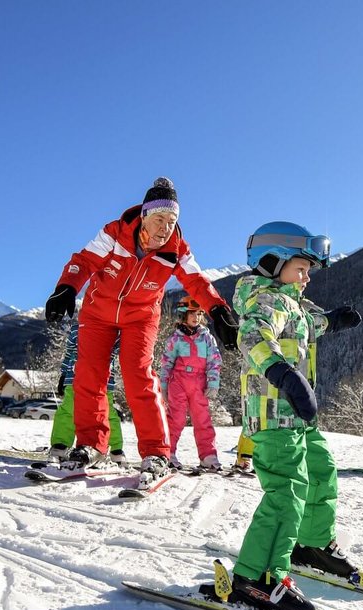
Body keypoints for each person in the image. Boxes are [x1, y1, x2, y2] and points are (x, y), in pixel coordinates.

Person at [213, 221, 363, 610]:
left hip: (297, 416)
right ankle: (258, 578)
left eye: (310, 271)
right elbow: (251, 338)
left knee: (321, 470)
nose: (306, 278)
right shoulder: (266, 302)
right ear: (270, 262)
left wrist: (333, 319)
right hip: (272, 414)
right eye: (301, 269)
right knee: (286, 492)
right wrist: (283, 374)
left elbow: (309, 324)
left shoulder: (290, 302)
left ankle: (310, 544)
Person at [43, 177, 239, 486]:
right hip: (98, 313)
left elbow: (197, 281)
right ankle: (91, 445)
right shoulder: (114, 233)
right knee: (88, 374)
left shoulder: (176, 250)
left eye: (172, 221)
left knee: (137, 374)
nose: (165, 228)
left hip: (141, 316)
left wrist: (217, 310)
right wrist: (66, 288)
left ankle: (156, 452)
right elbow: (83, 261)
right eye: (159, 219)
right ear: (144, 216)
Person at [48, 320, 127, 468]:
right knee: (69, 410)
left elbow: (120, 349)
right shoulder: (77, 329)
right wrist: (64, 374)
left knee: (107, 414)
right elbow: (69, 353)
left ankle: (115, 450)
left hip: (103, 380)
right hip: (75, 378)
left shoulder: (114, 330)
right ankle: (60, 446)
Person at [160, 297, 223, 470]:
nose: (196, 317)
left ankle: (208, 455)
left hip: (200, 382)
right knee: (176, 418)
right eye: (192, 314)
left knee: (202, 419)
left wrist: (213, 383)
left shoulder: (206, 338)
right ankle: (168, 452)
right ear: (183, 315)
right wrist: (163, 387)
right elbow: (166, 363)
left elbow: (214, 360)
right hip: (178, 381)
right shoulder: (176, 339)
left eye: (199, 314)